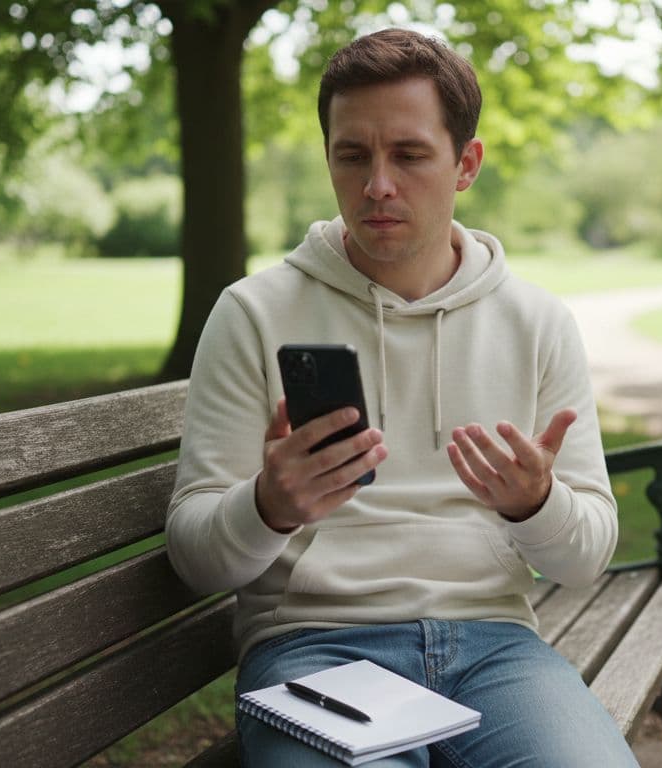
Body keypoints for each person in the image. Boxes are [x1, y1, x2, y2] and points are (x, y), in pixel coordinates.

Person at [165, 28, 637, 767]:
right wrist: (269, 505)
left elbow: (586, 558)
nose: (377, 184)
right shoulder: (253, 313)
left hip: (496, 650)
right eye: (352, 155)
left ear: (466, 164)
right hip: (315, 653)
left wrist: (533, 505)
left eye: (409, 155)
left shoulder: (537, 322)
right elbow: (196, 557)